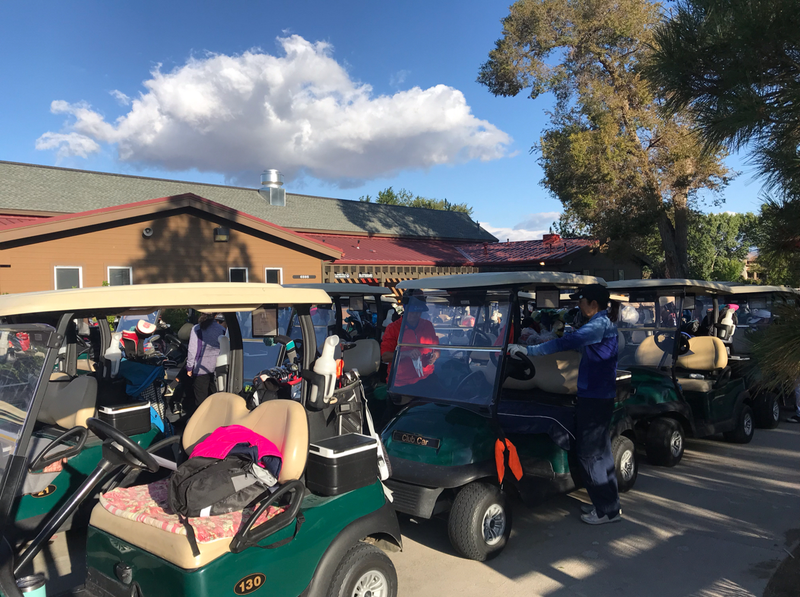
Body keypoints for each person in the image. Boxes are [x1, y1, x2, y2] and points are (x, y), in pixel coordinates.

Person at [507, 283, 621, 525]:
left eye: (581, 301)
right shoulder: (602, 322)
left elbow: (564, 343)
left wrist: (528, 350)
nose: (578, 305)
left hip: (595, 396)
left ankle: (606, 511)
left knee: (590, 453)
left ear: (593, 304)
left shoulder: (598, 325)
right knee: (602, 452)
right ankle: (609, 505)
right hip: (599, 394)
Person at [381, 292, 439, 387]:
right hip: (402, 382)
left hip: (427, 376)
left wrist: (435, 356)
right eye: (412, 312)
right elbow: (385, 356)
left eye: (418, 312)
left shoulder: (428, 325)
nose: (415, 315)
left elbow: (437, 349)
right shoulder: (393, 328)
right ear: (405, 309)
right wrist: (406, 354)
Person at [185, 312, 227, 414]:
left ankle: (200, 419)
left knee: (200, 401)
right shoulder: (221, 329)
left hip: (201, 368)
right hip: (218, 367)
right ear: (215, 316)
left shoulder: (196, 328)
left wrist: (189, 367)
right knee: (215, 397)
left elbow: (192, 350)